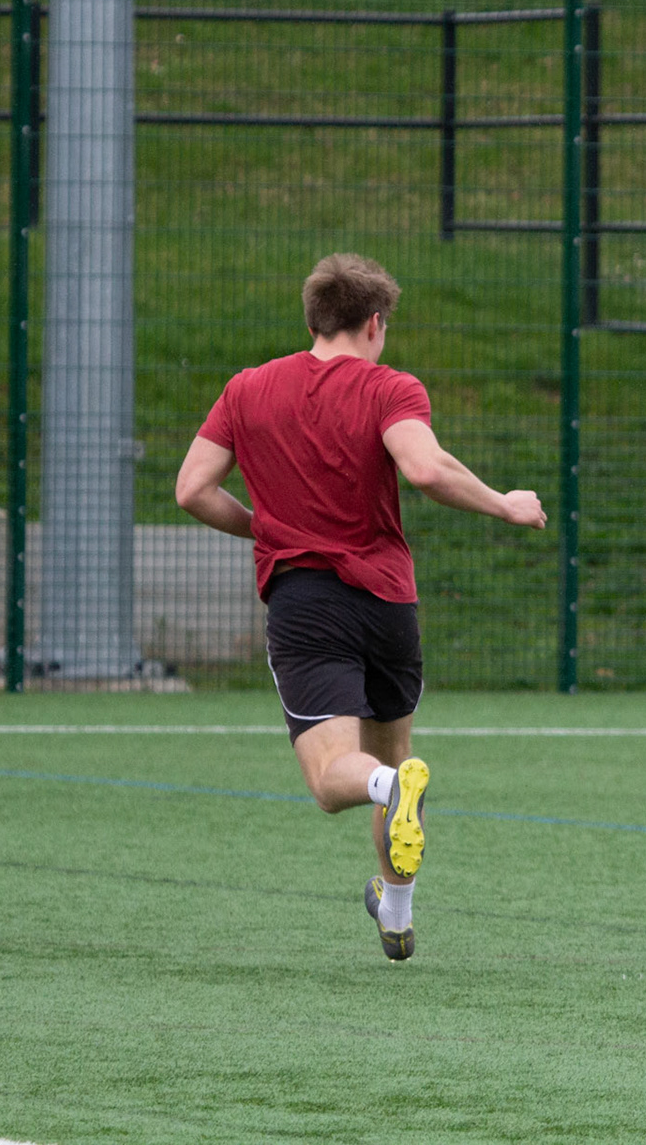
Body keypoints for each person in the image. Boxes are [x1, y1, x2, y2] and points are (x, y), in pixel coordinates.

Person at [174, 253, 546, 961]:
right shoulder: (389, 389)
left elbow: (193, 489)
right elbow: (427, 467)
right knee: (395, 758)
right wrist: (504, 504)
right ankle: (396, 910)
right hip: (388, 604)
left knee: (333, 778)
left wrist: (262, 524)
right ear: (375, 323)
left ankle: (387, 786)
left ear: (314, 317)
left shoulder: (248, 389)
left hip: (307, 601)